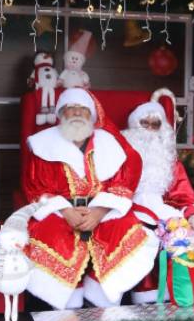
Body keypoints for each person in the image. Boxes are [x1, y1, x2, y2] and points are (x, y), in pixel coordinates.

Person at [23, 88, 159, 309]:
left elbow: (122, 183)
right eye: (71, 108)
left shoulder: (110, 143)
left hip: (102, 210)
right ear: (60, 114)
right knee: (46, 235)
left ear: (92, 115)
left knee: (129, 230)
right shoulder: (41, 144)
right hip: (59, 212)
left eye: (83, 109)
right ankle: (67, 300)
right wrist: (66, 211)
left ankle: (102, 293)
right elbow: (36, 187)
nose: (77, 113)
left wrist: (100, 211)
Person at [122, 101, 194, 304]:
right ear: (133, 126)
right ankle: (146, 295)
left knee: (187, 234)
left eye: (156, 124)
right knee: (144, 236)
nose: (150, 129)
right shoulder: (119, 157)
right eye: (145, 123)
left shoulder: (171, 162)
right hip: (126, 211)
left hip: (164, 213)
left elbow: (185, 195)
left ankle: (184, 296)